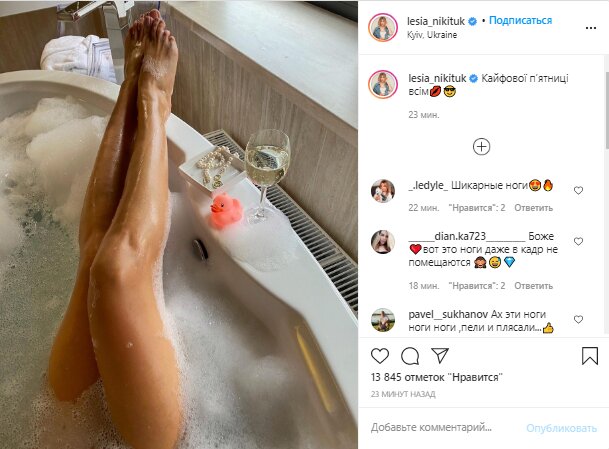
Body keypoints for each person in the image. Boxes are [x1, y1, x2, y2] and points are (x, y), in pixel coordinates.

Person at [47, 10, 182, 449]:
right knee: (114, 267)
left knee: (94, 255)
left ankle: (132, 90)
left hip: (60, 427)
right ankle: (153, 101)